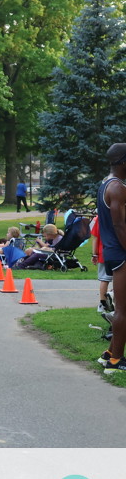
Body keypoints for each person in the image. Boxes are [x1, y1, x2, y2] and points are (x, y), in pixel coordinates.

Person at [97, 143, 126, 371]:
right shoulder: (117, 187)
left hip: (113, 252)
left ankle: (109, 353)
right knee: (123, 311)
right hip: (120, 253)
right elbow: (119, 224)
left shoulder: (106, 183)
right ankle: (115, 360)